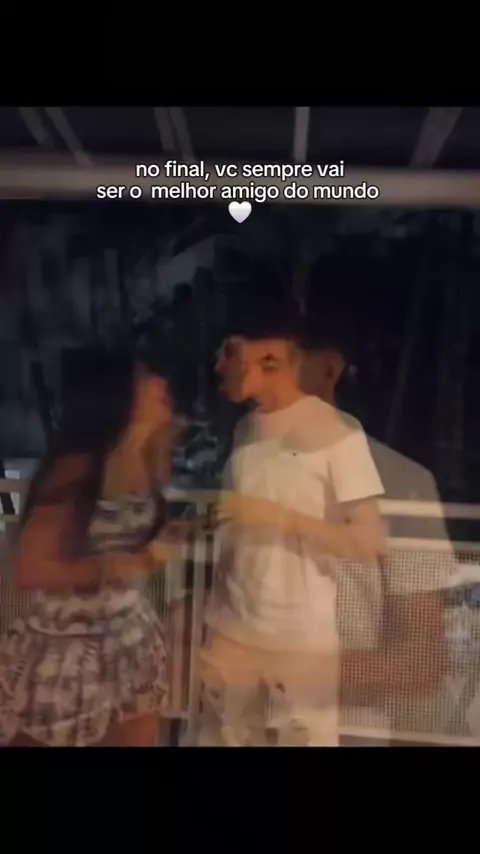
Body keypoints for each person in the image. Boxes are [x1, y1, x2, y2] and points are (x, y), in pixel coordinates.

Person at [196, 314, 386, 747]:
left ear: (271, 357)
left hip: (300, 640)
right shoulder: (246, 429)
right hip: (231, 631)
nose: (218, 365)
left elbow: (367, 542)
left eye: (229, 352)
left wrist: (280, 518)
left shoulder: (338, 432)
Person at [0, 347, 177, 747]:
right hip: (68, 649)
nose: (161, 384)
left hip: (129, 640)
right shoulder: (78, 466)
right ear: (116, 396)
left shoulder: (146, 457)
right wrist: (117, 566)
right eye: (145, 377)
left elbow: (126, 536)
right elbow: (30, 569)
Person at [299, 330, 450, 743]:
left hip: (344, 730)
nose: (249, 382)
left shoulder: (398, 482)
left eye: (273, 364)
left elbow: (423, 659)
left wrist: (282, 671)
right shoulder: (240, 470)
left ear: (329, 369)